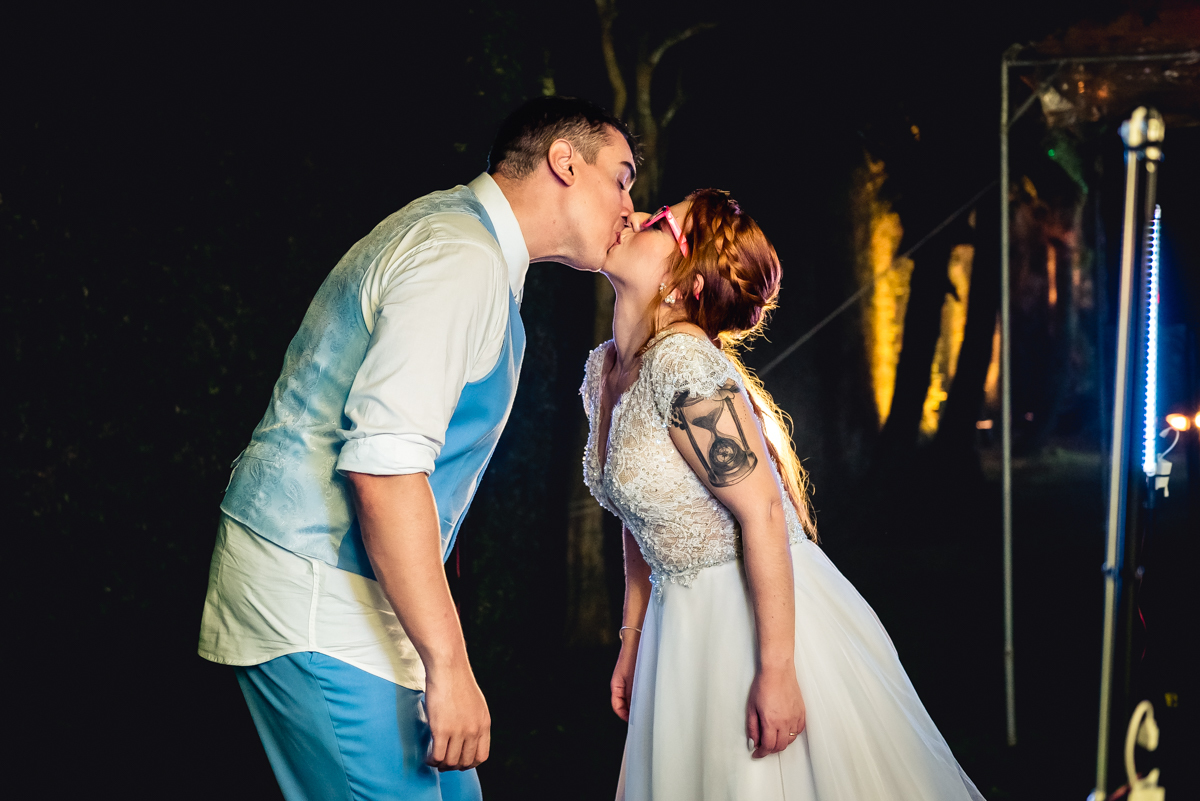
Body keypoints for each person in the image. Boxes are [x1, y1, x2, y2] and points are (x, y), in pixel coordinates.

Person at [198, 96, 637, 801]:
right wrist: (451, 664)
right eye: (621, 177)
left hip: (368, 596)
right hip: (314, 597)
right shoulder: (459, 257)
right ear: (564, 161)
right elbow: (383, 471)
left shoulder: (473, 250)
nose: (629, 205)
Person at [581, 189, 986, 800]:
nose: (634, 217)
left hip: (749, 620)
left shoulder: (683, 365)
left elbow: (764, 512)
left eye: (659, 221)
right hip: (679, 626)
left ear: (684, 279)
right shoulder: (607, 369)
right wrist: (632, 640)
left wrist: (777, 672)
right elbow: (638, 514)